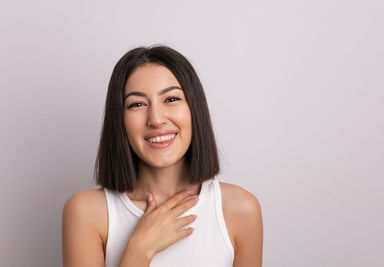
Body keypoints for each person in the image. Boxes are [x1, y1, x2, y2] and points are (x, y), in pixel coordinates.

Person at [62, 44, 263, 267]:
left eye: (171, 99)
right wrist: (139, 249)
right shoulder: (86, 212)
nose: (156, 119)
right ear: (119, 120)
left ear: (194, 109)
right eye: (137, 104)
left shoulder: (240, 209)